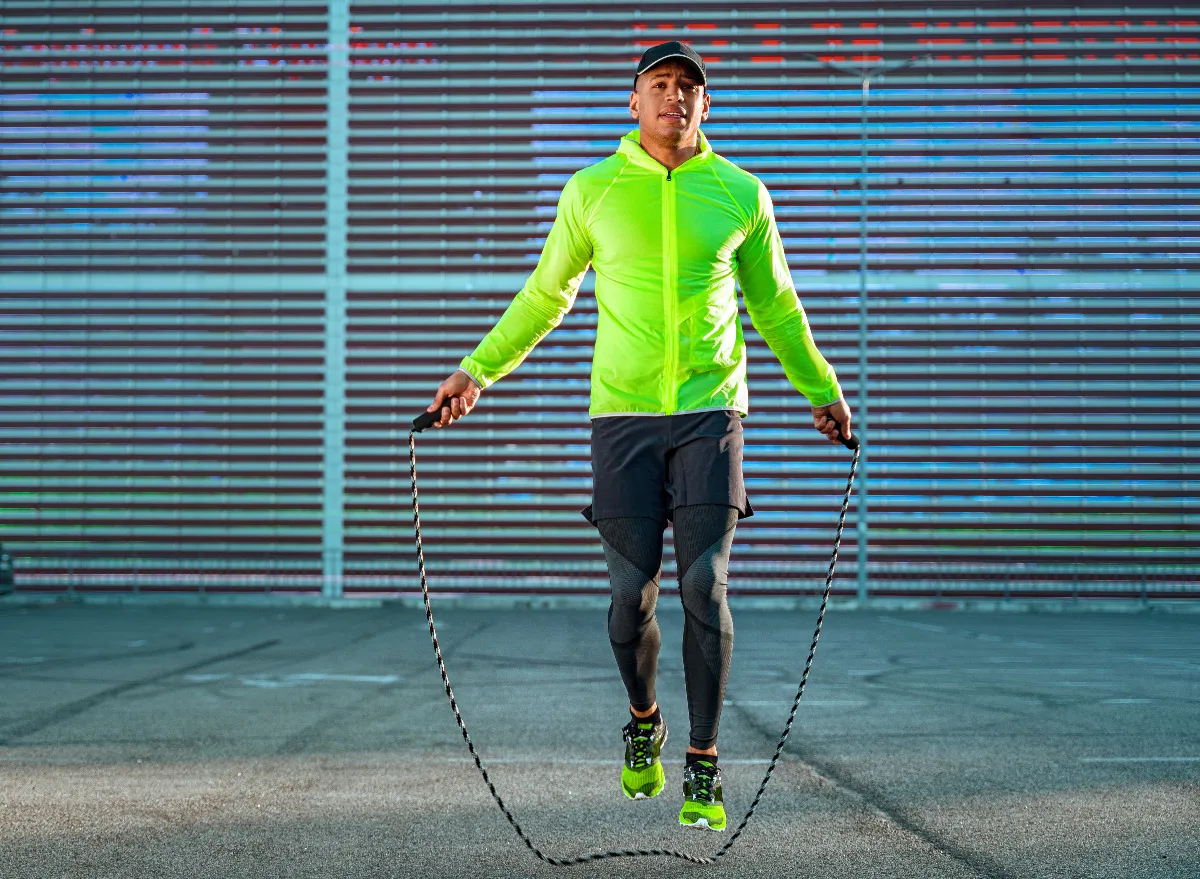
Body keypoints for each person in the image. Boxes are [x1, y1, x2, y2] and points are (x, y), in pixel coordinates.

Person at [425, 40, 854, 832]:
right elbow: (544, 296)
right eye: (660, 84)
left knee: (704, 588)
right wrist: (474, 373)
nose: (676, 97)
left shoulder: (740, 193)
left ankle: (703, 761)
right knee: (631, 598)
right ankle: (644, 718)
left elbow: (778, 307)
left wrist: (821, 387)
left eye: (690, 86)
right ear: (634, 103)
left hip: (710, 414)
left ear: (706, 105)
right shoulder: (593, 191)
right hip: (620, 418)